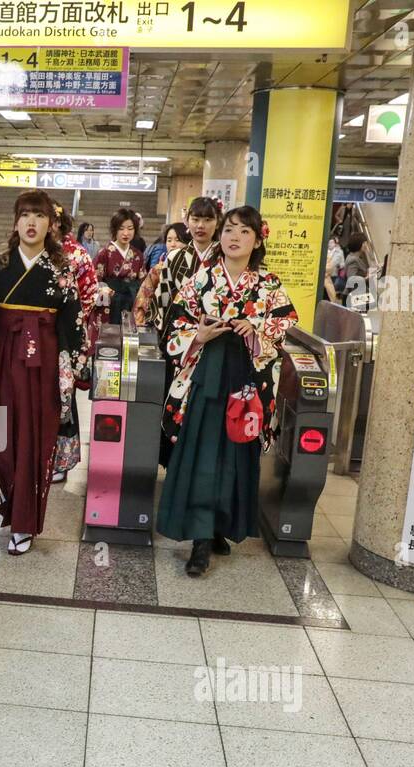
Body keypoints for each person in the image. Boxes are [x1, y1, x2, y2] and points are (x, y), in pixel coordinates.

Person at [155, 206, 297, 576]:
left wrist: (258, 331)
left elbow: (286, 324)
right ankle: (200, 537)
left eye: (244, 232)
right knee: (202, 455)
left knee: (237, 456)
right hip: (207, 373)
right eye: (230, 230)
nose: (234, 237)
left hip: (247, 377)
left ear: (257, 240)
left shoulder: (268, 284)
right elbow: (175, 323)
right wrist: (197, 335)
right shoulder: (202, 278)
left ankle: (220, 526)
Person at [0, 189, 87, 556]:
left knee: (35, 441)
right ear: (16, 222)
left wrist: (70, 373)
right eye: (25, 215)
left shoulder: (62, 269)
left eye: (39, 215)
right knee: (2, 439)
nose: (31, 222)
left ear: (51, 224)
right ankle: (9, 492)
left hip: (46, 364)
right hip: (4, 361)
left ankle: (23, 523)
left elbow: (74, 325)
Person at [50, 199, 99, 483]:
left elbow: (89, 295)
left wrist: (69, 323)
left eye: (52, 219)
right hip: (33, 337)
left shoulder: (77, 255)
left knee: (63, 398)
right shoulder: (30, 253)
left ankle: (61, 460)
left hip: (65, 336)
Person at [134, 196, 221, 334]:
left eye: (208, 220)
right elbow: (163, 298)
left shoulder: (226, 258)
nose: (200, 225)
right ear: (187, 221)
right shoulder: (174, 257)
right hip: (178, 333)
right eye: (195, 219)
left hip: (216, 331)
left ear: (218, 222)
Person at [93, 208, 146, 325]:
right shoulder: (104, 253)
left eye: (130, 228)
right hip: (109, 303)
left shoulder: (138, 255)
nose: (126, 233)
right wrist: (103, 289)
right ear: (114, 230)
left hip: (131, 302)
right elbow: (95, 280)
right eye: (121, 228)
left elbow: (143, 282)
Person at [341, 232, 370, 305]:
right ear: (360, 244)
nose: (366, 246)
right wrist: (368, 278)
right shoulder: (353, 260)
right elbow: (352, 280)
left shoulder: (354, 257)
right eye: (365, 243)